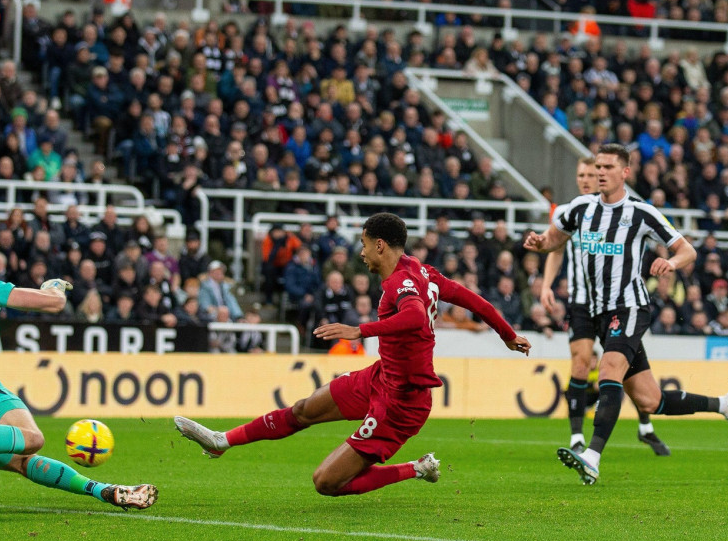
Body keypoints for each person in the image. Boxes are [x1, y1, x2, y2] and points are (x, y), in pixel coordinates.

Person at [175, 213, 531, 496]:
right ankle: (222, 441)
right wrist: (507, 334)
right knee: (303, 409)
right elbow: (471, 298)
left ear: (379, 245)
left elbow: (414, 316)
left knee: (326, 482)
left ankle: (418, 467)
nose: (360, 252)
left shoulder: (401, 283)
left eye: (363, 244)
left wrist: (360, 329)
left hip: (402, 403)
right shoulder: (420, 271)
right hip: (380, 377)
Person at [524, 144, 728, 485]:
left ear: (625, 172)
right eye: (598, 166)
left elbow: (687, 250)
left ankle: (592, 456)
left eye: (608, 167)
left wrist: (670, 263)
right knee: (650, 399)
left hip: (629, 306)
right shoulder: (580, 208)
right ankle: (726, 405)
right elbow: (554, 240)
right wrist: (539, 242)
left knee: (609, 367)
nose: (600, 172)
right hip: (597, 313)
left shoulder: (642, 213)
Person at [0, 231, 157, 510]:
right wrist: (54, 286)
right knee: (32, 437)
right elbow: (54, 303)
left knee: (21, 461)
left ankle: (104, 491)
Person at [540, 157, 670, 456]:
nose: (588, 178)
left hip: (617, 302)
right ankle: (577, 437)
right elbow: (555, 248)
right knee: (583, 362)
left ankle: (645, 423)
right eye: (583, 174)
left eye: (593, 173)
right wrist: (547, 286)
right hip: (581, 302)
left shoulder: (619, 211)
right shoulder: (573, 212)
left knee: (620, 363)